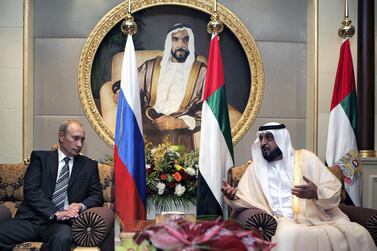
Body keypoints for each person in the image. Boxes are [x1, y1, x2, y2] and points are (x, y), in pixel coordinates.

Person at [222, 122, 376, 251]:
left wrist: (316, 193)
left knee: (359, 233)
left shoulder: (306, 158)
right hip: (284, 221)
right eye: (261, 138)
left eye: (269, 138)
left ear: (281, 139)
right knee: (290, 235)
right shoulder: (255, 169)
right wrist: (233, 196)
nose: (263, 143)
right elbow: (246, 197)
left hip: (318, 216)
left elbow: (333, 189)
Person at [0, 120, 103, 251]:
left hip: (62, 224)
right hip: (32, 219)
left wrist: (80, 206)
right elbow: (31, 190)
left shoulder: (89, 166)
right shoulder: (40, 158)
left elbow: (97, 195)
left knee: (63, 239)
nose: (79, 144)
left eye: (82, 140)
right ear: (61, 136)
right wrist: (55, 213)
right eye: (75, 138)